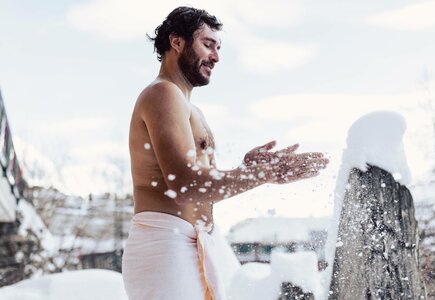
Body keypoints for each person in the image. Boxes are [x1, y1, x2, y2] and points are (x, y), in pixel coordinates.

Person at [121, 6, 329, 300]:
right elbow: (185, 185)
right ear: (177, 42)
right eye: (207, 44)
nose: (216, 57)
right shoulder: (162, 93)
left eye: (218, 47)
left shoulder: (191, 108)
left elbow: (203, 180)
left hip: (196, 244)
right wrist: (267, 173)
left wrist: (247, 167)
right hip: (165, 245)